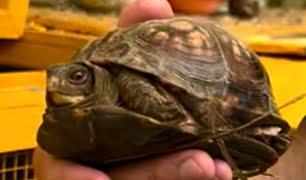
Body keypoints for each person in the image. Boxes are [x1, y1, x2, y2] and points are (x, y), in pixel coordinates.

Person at [33, 0, 233, 179]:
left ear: (100, 79)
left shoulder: (128, 81)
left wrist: (159, 109)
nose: (56, 84)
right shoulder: (73, 121)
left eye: (77, 78)